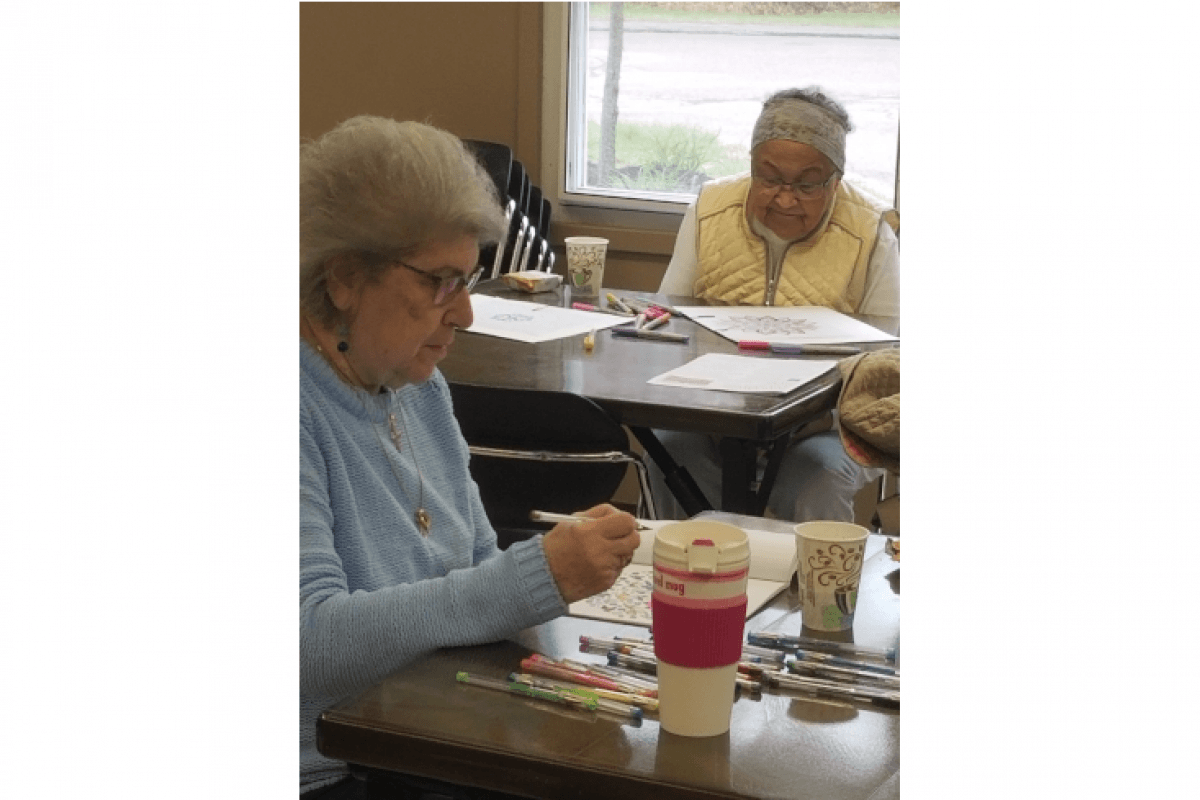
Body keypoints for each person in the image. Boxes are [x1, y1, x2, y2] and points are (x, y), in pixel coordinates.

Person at [299, 116, 642, 798]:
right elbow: (309, 649)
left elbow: (479, 565)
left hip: (435, 738)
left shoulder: (414, 387)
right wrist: (535, 580)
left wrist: (559, 635)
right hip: (330, 765)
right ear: (343, 276)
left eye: (469, 280)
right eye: (440, 283)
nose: (466, 315)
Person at [652, 87, 900, 523]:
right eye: (768, 179)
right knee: (671, 454)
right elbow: (670, 319)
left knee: (817, 477)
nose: (785, 198)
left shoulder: (870, 231)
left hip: (824, 423)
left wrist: (822, 410)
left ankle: (817, 589)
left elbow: (888, 357)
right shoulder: (710, 209)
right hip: (713, 413)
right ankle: (694, 579)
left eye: (806, 184)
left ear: (835, 181)